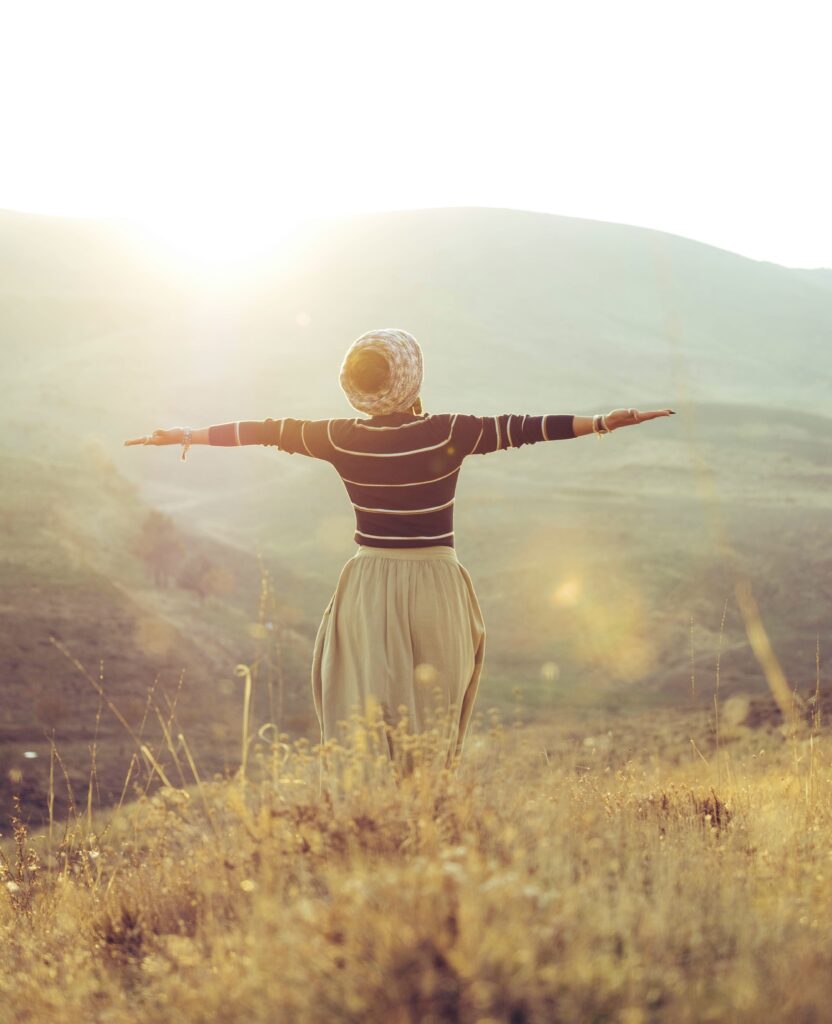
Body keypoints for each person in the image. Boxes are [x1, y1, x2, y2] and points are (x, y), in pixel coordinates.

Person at [125, 328, 675, 789]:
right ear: (412, 380)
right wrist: (602, 422)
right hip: (436, 583)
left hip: (367, 584)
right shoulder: (448, 432)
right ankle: (422, 814)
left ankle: (370, 813)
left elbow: (263, 431)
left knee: (367, 709)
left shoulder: (339, 438)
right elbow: (526, 428)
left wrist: (189, 434)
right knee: (433, 714)